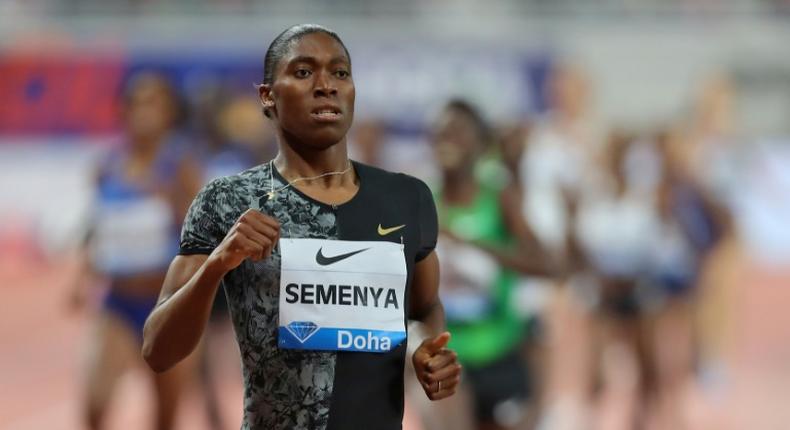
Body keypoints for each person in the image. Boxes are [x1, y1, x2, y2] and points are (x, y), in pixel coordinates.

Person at [141, 24, 460, 430]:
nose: (326, 85)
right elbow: (157, 350)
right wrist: (218, 264)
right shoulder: (227, 201)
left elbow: (424, 309)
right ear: (267, 97)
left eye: (340, 72)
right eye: (304, 71)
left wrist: (426, 350)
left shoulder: (406, 198)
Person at [71, 71, 202, 429]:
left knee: (165, 412)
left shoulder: (180, 166)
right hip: (117, 300)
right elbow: (96, 224)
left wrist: (173, 203)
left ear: (170, 113)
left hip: (166, 303)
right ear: (124, 110)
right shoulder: (107, 164)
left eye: (156, 103)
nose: (146, 111)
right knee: (95, 403)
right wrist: (81, 277)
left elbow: (204, 231)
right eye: (139, 102)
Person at [427, 99, 556, 430]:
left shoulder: (498, 197)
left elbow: (545, 264)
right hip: (450, 353)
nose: (447, 140)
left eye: (457, 132)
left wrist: (474, 245)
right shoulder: (424, 200)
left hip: (501, 349)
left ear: (480, 144)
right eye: (441, 133)